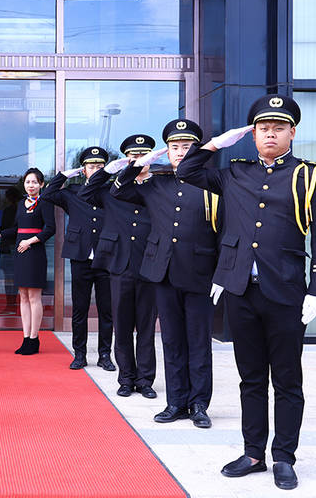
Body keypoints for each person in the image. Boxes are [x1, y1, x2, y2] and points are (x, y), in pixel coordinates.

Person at [176, 94, 316, 490]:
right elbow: (187, 170)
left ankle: (284, 457)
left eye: (278, 128)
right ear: (253, 134)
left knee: (287, 380)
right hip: (240, 291)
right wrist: (217, 142)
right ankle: (253, 453)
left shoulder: (309, 176)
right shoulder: (234, 173)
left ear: (292, 133)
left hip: (286, 293)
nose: (270, 134)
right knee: (250, 378)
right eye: (263, 128)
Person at [110, 120, 219, 428]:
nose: (180, 152)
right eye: (174, 147)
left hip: (200, 274)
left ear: (197, 150)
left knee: (198, 342)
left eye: (187, 146)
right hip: (164, 274)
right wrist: (140, 164)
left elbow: (224, 231)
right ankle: (176, 402)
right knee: (171, 341)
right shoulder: (156, 184)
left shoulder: (212, 184)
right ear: (166, 152)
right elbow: (117, 191)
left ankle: (199, 404)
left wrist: (222, 274)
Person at [80, 135, 157, 399]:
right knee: (122, 326)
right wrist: (108, 171)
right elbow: (85, 193)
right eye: (134, 157)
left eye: (143, 156)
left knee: (146, 328)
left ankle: (145, 380)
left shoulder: (158, 187)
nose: (139, 161)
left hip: (149, 265)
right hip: (119, 265)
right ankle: (125, 379)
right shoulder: (113, 188)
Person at [40, 146, 115, 371]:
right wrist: (63, 175)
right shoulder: (72, 192)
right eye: (91, 167)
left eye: (100, 166)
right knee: (80, 309)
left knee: (106, 310)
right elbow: (47, 195)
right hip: (80, 256)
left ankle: (104, 355)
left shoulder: (112, 190)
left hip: (106, 256)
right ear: (83, 170)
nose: (96, 170)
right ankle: (80, 354)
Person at [0, 168, 55, 355]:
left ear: (41, 184)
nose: (31, 185)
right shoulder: (21, 204)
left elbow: (50, 229)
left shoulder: (45, 202)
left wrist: (30, 241)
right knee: (23, 296)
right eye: (28, 182)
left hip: (35, 252)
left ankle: (34, 338)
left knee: (34, 297)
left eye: (34, 182)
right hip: (21, 253)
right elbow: (15, 229)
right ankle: (26, 337)